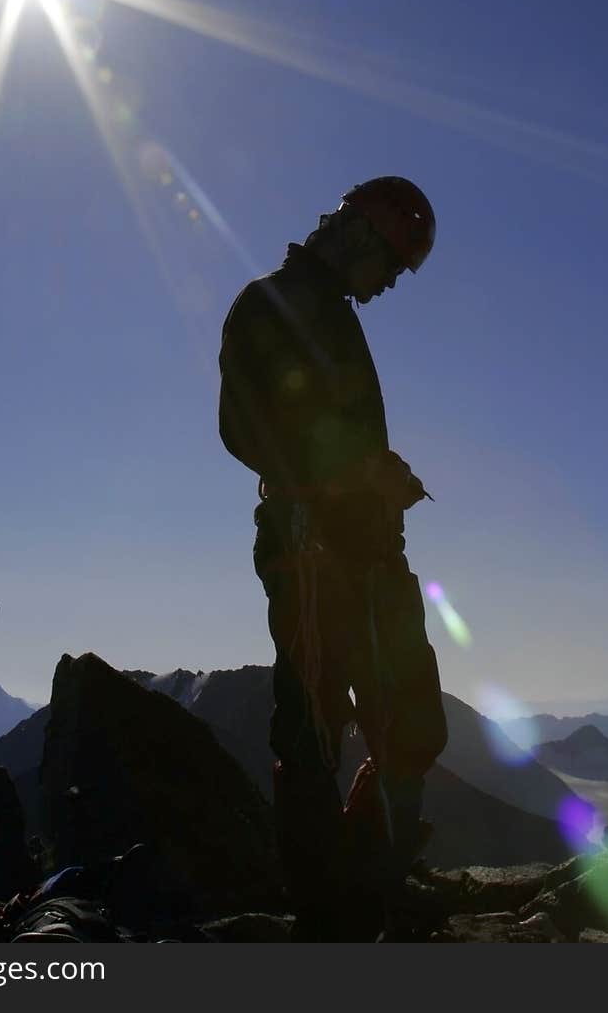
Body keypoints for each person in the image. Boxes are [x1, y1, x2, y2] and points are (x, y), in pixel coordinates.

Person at [218, 177, 448, 940]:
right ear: (361, 240)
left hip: (360, 543)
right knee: (315, 722)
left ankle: (373, 877)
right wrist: (357, 473)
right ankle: (329, 911)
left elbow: (309, 428)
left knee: (406, 708)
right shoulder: (273, 305)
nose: (385, 287)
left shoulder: (327, 316)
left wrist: (378, 479)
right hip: (308, 544)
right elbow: (248, 428)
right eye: (387, 267)